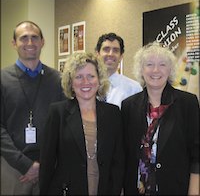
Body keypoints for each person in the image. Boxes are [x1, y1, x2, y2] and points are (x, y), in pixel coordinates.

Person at [39, 52, 124, 195]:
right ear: (71, 82)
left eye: (91, 76)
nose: (86, 82)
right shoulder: (57, 113)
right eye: (79, 77)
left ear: (99, 80)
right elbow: (47, 163)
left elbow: (119, 162)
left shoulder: (113, 113)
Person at [121, 42, 199, 195]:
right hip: (136, 189)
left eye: (162, 64)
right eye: (149, 64)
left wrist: (194, 190)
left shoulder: (187, 103)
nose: (155, 70)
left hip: (175, 188)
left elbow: (196, 152)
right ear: (141, 70)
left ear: (170, 70)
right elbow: (124, 153)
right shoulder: (128, 106)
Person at [1, 21, 65, 195]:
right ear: (14, 43)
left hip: (50, 167)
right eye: (24, 38)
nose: (30, 43)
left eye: (35, 38)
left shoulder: (58, 80)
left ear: (42, 42)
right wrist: (24, 164)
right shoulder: (2, 79)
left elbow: (64, 124)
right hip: (13, 168)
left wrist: (46, 163)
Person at [95, 32, 142, 108]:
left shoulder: (134, 89)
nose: (110, 54)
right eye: (106, 49)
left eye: (115, 50)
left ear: (121, 57)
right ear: (97, 54)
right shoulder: (87, 86)